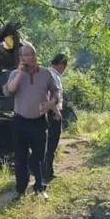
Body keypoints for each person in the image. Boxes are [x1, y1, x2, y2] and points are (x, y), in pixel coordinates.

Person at [3, 43, 59, 201]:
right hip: (21, 121)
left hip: (39, 121)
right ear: (21, 58)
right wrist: (20, 73)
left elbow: (55, 91)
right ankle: (20, 190)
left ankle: (40, 187)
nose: (31, 57)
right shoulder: (15, 74)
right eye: (27, 55)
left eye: (33, 53)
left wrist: (52, 102)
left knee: (39, 157)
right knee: (20, 157)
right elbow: (9, 90)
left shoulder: (46, 73)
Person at [44, 53, 68, 182]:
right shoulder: (53, 76)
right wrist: (56, 111)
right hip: (52, 112)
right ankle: (47, 172)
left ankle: (46, 170)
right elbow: (50, 96)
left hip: (46, 111)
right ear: (61, 65)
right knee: (51, 143)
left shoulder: (46, 73)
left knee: (47, 143)